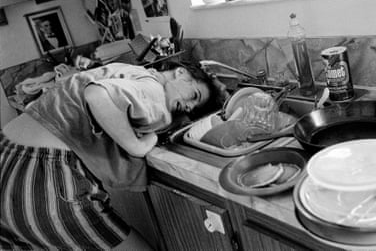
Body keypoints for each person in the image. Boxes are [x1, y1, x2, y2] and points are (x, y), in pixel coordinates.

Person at [0, 61, 224, 250]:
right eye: (194, 95)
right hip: (42, 179)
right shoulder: (154, 89)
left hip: (6, 159)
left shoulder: (125, 70)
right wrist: (136, 145)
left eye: (192, 108)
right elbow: (97, 95)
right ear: (181, 72)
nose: (187, 106)